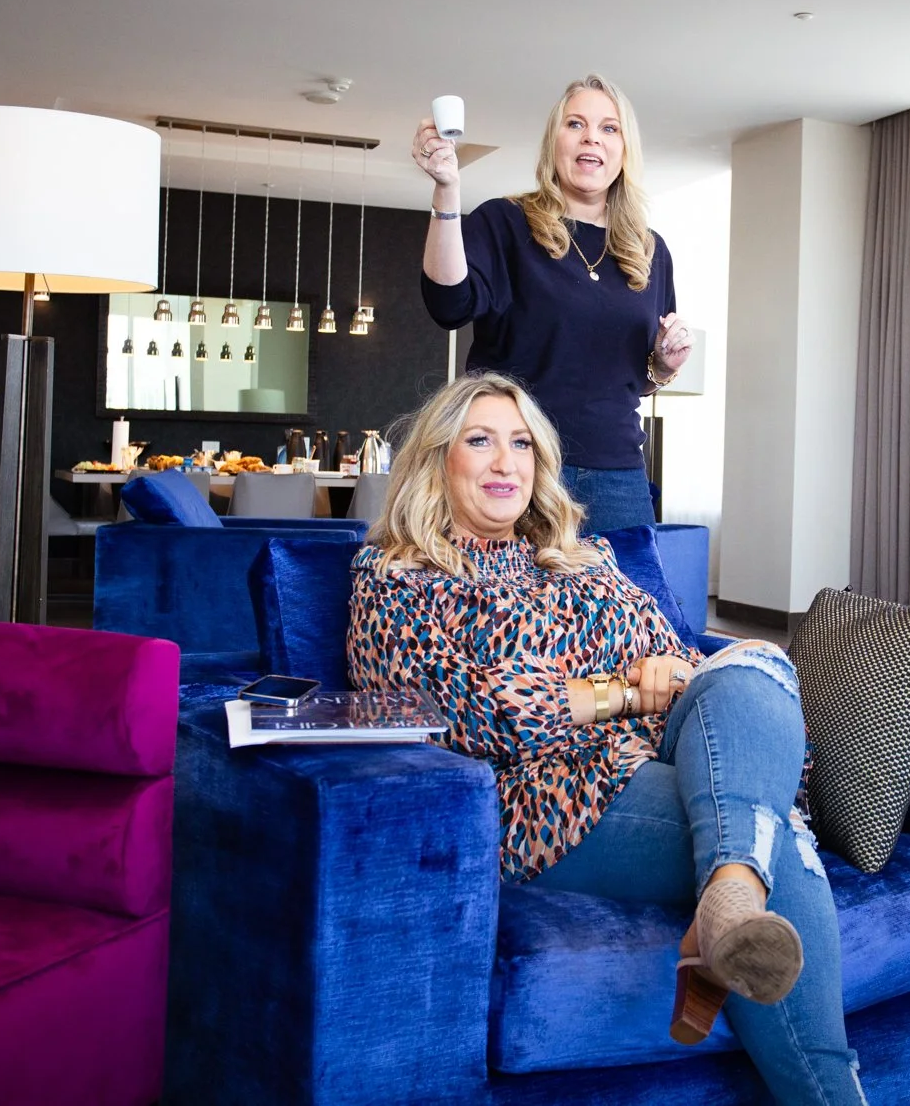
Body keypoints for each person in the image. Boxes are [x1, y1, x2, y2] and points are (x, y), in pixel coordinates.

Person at [346, 373, 864, 1106]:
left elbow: (684, 664)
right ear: (437, 459)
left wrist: (664, 669)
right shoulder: (396, 576)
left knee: (759, 662)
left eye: (522, 442)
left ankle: (726, 899)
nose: (506, 462)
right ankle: (758, 946)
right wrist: (620, 689)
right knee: (774, 839)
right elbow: (464, 708)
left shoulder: (583, 561)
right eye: (481, 440)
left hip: (670, 755)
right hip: (546, 800)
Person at [416, 75, 695, 534]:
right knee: (513, 606)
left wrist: (663, 366)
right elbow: (448, 304)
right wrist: (446, 191)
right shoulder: (505, 222)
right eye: (576, 124)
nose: (592, 137)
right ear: (554, 142)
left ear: (625, 150)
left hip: (616, 473)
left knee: (626, 606)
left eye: (610, 128)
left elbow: (638, 380)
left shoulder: (649, 250)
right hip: (517, 466)